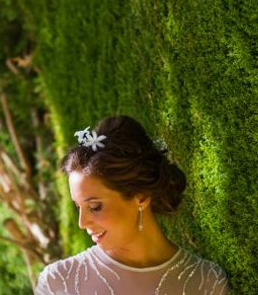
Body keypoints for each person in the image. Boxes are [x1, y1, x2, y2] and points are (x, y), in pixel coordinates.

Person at [35, 115, 229, 295]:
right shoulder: (58, 283)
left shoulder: (206, 282)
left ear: (141, 196)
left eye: (94, 207)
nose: (82, 223)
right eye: (78, 207)